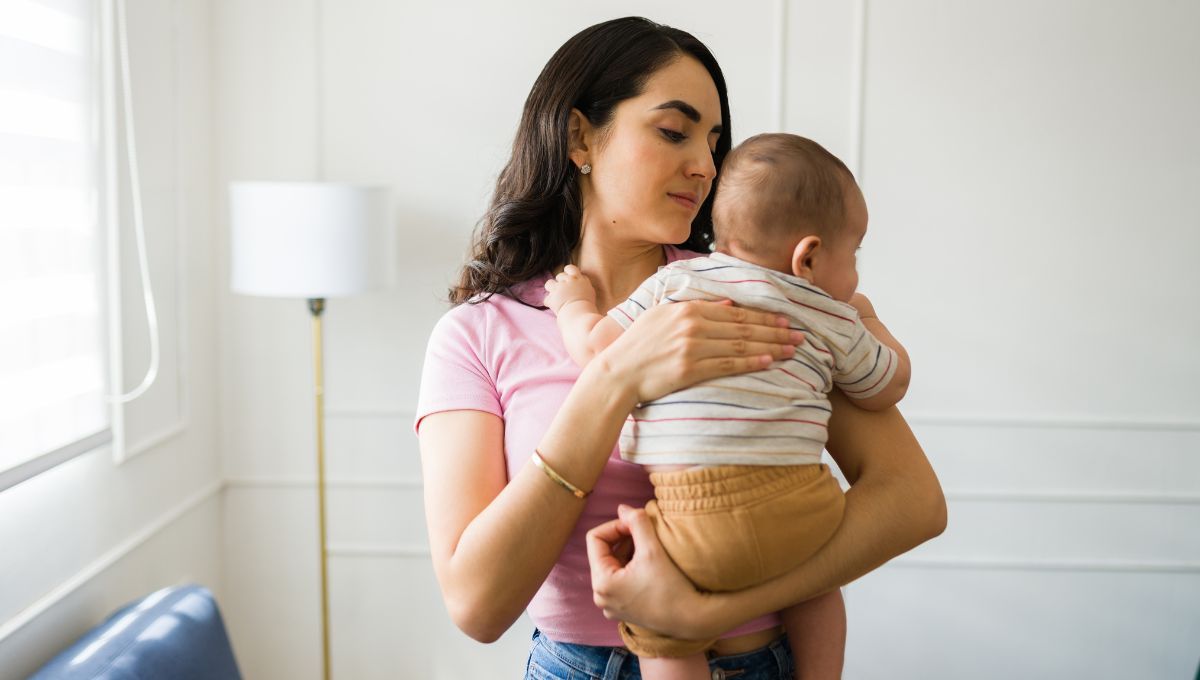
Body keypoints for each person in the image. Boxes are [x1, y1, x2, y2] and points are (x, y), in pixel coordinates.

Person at [415, 16, 946, 680]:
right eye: (673, 131)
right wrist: (612, 381)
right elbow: (477, 606)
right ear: (580, 137)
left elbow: (915, 502)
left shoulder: (755, 292)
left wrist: (696, 617)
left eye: (714, 141)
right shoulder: (476, 336)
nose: (705, 165)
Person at [542, 132, 910, 679]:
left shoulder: (675, 281)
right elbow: (887, 384)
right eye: (853, 254)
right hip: (804, 509)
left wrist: (575, 305)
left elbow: (598, 351)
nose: (854, 274)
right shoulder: (831, 314)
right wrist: (868, 318)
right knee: (817, 586)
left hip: (694, 517)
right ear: (807, 257)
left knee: (661, 624)